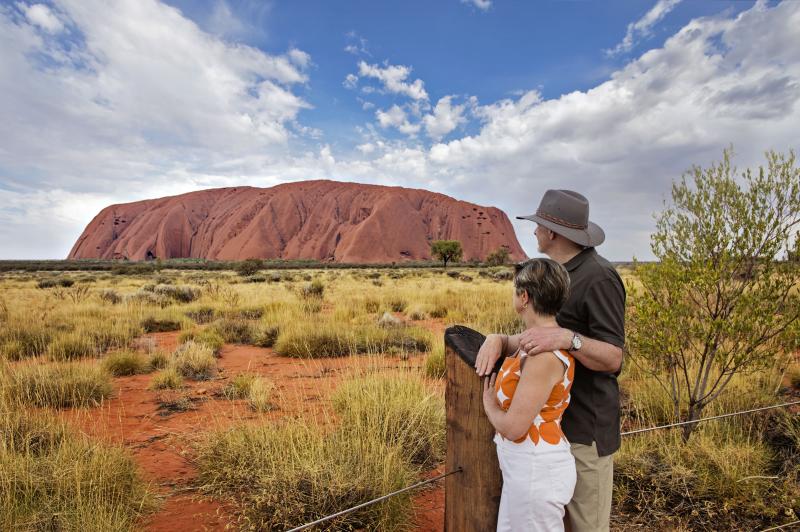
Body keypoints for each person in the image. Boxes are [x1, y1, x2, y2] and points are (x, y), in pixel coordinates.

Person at [476, 189, 626, 532]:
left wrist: (568, 339)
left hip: (585, 431)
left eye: (539, 225)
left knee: (585, 527)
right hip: (552, 431)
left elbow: (614, 357)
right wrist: (498, 339)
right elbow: (537, 337)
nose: (534, 231)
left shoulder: (598, 276)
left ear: (553, 233)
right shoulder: (558, 273)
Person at [482, 258, 576, 532]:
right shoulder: (537, 339)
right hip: (526, 471)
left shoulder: (543, 355)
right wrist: (495, 339)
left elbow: (513, 427)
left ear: (524, 297)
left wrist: (490, 405)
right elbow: (511, 341)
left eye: (515, 291)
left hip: (536, 472)